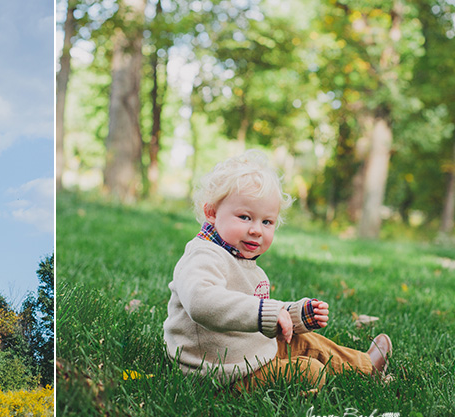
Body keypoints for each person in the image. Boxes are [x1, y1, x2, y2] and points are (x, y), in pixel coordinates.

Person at [163, 150, 392, 390]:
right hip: (217, 370)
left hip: (243, 350)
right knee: (310, 372)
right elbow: (202, 303)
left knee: (305, 340)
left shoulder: (240, 258)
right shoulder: (203, 255)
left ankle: (366, 366)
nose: (256, 230)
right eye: (244, 217)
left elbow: (251, 309)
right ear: (212, 212)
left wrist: (292, 314)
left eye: (266, 222)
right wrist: (266, 313)